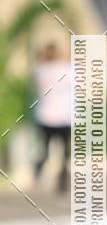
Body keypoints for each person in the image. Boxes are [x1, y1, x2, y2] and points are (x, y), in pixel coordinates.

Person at [32, 42, 72, 194]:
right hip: (63, 117)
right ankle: (62, 185)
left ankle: (37, 176)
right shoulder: (66, 69)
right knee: (64, 154)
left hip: (45, 116)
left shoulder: (41, 70)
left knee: (44, 149)